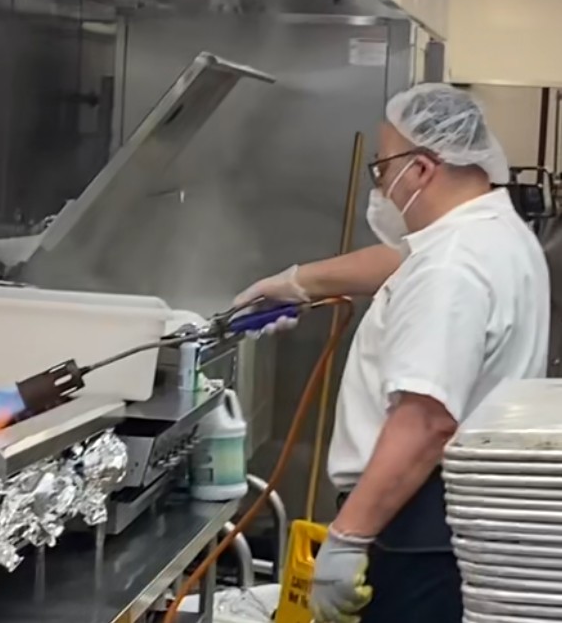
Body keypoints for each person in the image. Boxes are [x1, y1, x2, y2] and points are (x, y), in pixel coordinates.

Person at [235, 83, 550, 623]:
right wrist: (295, 282)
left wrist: (347, 538)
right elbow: (403, 261)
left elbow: (425, 421)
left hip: (413, 517)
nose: (379, 184)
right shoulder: (492, 229)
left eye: (381, 168)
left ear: (423, 169)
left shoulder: (451, 268)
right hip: (447, 516)